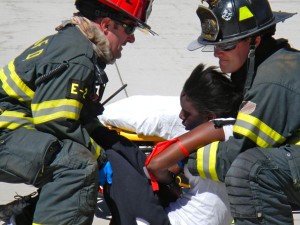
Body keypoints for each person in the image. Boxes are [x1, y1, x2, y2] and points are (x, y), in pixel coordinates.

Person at [0, 0, 156, 224]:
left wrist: (111, 143)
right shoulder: (78, 56)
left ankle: (23, 218)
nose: (131, 38)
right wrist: (101, 157)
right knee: (77, 166)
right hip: (6, 133)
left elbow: (76, 117)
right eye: (129, 28)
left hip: (11, 130)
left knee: (76, 155)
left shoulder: (76, 42)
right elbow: (56, 120)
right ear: (106, 25)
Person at [146, 0, 300, 224]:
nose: (217, 53)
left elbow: (242, 153)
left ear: (254, 41)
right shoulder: (259, 67)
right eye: (215, 46)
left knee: (250, 170)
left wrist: (183, 161)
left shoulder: (270, 83)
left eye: (226, 46)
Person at [103, 63, 242, 225]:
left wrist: (171, 185)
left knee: (122, 162)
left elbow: (155, 165)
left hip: (184, 221)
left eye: (187, 113)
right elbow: (171, 167)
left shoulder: (218, 127)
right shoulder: (230, 131)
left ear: (210, 116)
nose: (181, 116)